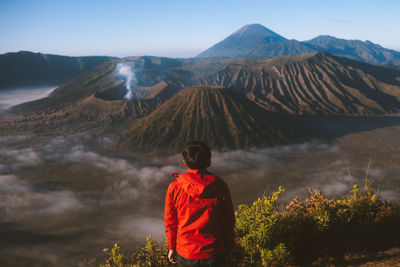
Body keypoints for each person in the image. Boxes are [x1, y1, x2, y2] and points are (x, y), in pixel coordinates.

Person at [164, 141, 235, 267]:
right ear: (208, 160)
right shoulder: (220, 187)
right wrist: (229, 248)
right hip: (214, 252)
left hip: (185, 253)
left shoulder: (175, 188)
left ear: (185, 161)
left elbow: (171, 222)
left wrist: (171, 247)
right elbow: (228, 222)